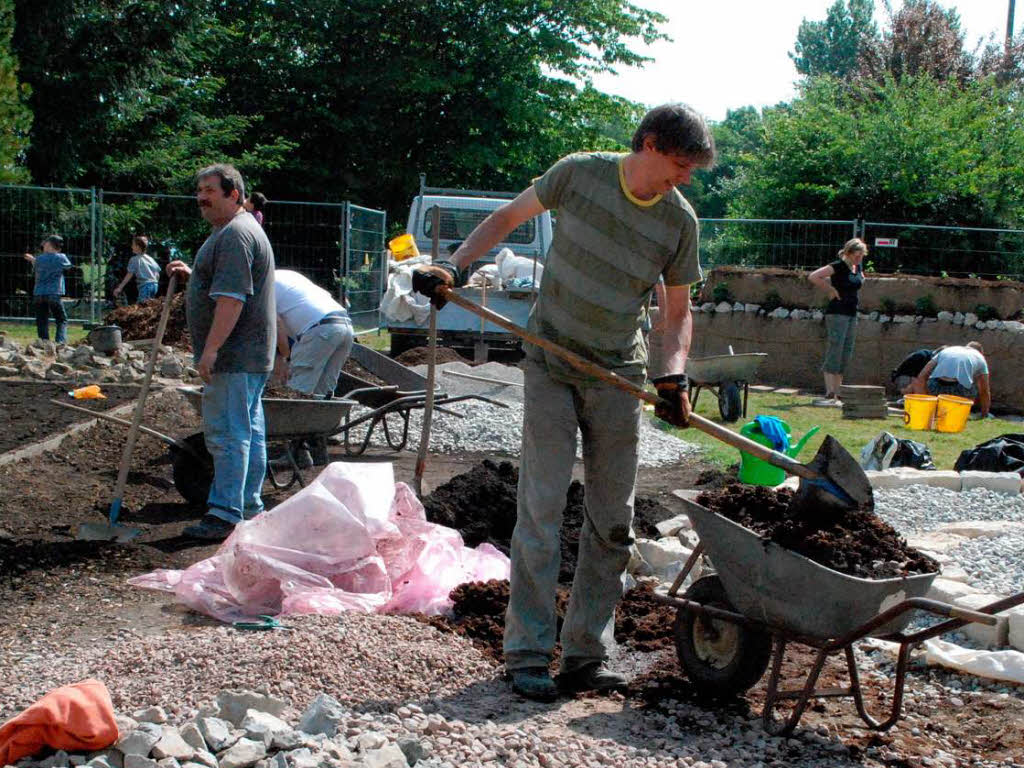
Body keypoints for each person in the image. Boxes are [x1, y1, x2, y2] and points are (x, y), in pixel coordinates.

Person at [412, 103, 714, 701]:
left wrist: (672, 377)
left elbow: (676, 313)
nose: (683, 178)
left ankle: (585, 654)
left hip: (616, 375)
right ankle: (526, 653)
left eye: (689, 171)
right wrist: (453, 265)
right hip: (550, 361)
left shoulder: (680, 222)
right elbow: (507, 217)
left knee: (613, 523)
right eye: (678, 165)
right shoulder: (579, 173)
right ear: (649, 143)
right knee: (542, 512)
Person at [166, 164, 276, 541]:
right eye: (199, 189)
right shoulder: (235, 232)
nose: (201, 197)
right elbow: (224, 283)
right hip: (249, 355)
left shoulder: (235, 235)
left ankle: (225, 514)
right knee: (248, 432)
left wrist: (210, 350)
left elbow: (231, 298)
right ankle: (247, 507)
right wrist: (192, 275)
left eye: (210, 190)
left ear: (234, 194)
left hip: (234, 356)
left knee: (229, 435)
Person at [271, 268, 354, 467]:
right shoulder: (288, 276)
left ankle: (297, 455)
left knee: (297, 394)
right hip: (344, 326)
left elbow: (275, 323)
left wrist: (283, 356)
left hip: (319, 330)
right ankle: (318, 450)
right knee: (321, 395)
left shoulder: (263, 284)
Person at [808, 238, 868, 405]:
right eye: (857, 256)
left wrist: (861, 277)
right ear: (848, 253)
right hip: (837, 313)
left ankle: (838, 393)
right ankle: (830, 392)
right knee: (836, 348)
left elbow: (859, 280)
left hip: (851, 313)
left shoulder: (858, 267)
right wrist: (831, 289)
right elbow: (814, 276)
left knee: (846, 351)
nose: (859, 259)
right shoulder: (838, 266)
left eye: (861, 256)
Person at [904, 342, 991, 417]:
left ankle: (932, 411)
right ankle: (961, 413)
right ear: (981, 353)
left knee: (925, 381)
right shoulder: (980, 358)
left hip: (935, 387)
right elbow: (984, 390)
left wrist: (927, 403)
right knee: (975, 386)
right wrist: (985, 413)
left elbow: (922, 376)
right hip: (959, 392)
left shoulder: (947, 350)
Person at [24, 235, 72, 344]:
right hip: (54, 293)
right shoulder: (61, 257)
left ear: (50, 245)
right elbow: (68, 267)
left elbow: (37, 266)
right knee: (61, 319)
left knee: (42, 320)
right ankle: (60, 342)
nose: (43, 245)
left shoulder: (39, 258)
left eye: (45, 244)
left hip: (39, 293)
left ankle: (44, 343)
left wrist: (33, 260)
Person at [113, 236, 161, 303]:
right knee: (149, 307)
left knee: (141, 308)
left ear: (138, 247)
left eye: (133, 245)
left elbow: (129, 275)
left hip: (145, 287)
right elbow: (157, 273)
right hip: (155, 285)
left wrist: (120, 288)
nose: (131, 247)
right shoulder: (150, 258)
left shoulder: (134, 259)